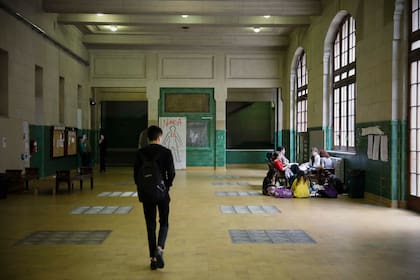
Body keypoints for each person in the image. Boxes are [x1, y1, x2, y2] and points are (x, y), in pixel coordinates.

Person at [133, 125, 176, 270]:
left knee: (150, 226)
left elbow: (136, 176)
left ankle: (152, 259)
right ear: (159, 137)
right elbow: (172, 174)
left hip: (147, 194)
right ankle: (159, 248)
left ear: (148, 138)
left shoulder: (140, 153)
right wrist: (166, 186)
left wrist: (143, 187)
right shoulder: (166, 152)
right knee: (164, 222)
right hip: (162, 193)